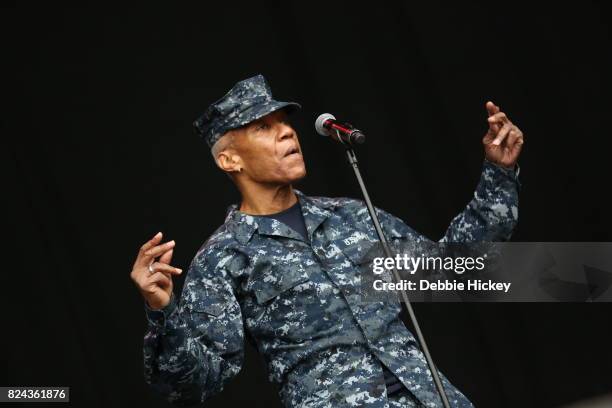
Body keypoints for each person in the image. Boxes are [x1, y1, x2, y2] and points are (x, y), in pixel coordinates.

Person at [130, 74, 524, 407]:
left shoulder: (350, 215)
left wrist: (498, 174)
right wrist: (162, 309)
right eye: (262, 128)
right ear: (230, 160)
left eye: (284, 122)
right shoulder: (224, 257)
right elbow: (195, 380)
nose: (286, 131)